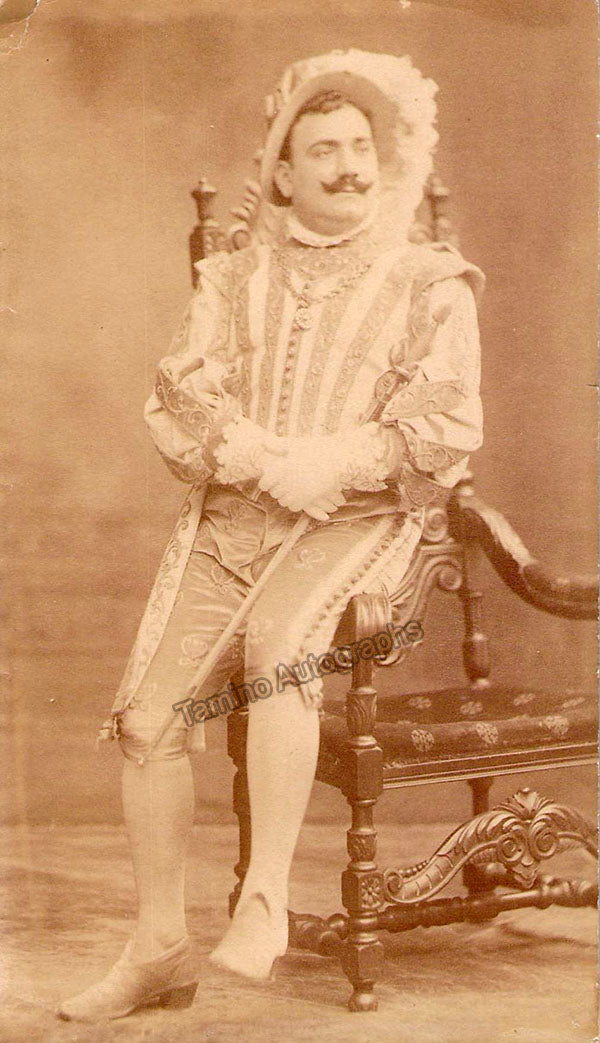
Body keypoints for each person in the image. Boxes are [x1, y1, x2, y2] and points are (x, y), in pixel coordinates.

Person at [57, 48, 484, 1021]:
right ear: (282, 173)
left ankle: (264, 900)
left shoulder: (429, 279)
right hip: (242, 505)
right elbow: (181, 390)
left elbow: (449, 420)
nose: (347, 166)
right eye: (322, 149)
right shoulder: (233, 274)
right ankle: (159, 947)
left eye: (359, 147)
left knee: (280, 650)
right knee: (148, 719)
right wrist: (256, 455)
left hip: (360, 512)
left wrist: (333, 461)